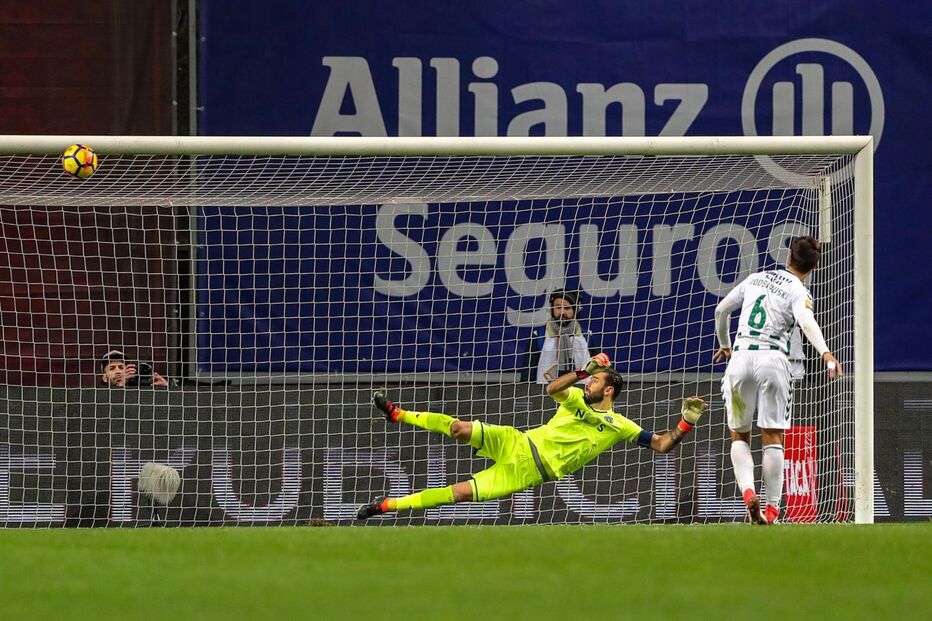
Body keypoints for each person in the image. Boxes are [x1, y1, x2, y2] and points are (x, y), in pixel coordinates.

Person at [356, 352, 707, 520]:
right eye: (590, 379)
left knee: (459, 493)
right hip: (518, 441)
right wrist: (583, 370)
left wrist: (686, 422)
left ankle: (385, 506)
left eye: (597, 381)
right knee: (459, 427)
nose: (590, 383)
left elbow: (662, 444)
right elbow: (552, 389)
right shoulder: (574, 399)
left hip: (527, 472)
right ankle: (398, 414)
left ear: (610, 391)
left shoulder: (621, 425)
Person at [712, 236, 842, 525]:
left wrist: (725, 344)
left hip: (741, 358)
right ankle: (770, 511)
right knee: (772, 437)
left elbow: (721, 311)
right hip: (773, 361)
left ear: (788, 257)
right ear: (814, 267)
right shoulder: (798, 289)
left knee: (739, 435)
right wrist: (826, 353)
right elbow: (806, 322)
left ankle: (748, 493)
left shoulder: (755, 278)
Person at [534, 289, 591, 384]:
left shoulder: (585, 336)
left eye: (567, 308)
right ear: (552, 309)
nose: (562, 312)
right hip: (545, 393)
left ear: (575, 310)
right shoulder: (539, 335)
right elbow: (528, 371)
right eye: (558, 307)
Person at [100, 350, 168, 387]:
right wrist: (120, 386)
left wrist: (165, 388)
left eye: (121, 367)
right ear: (105, 378)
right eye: (112, 368)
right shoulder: (97, 394)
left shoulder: (138, 386)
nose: (118, 372)